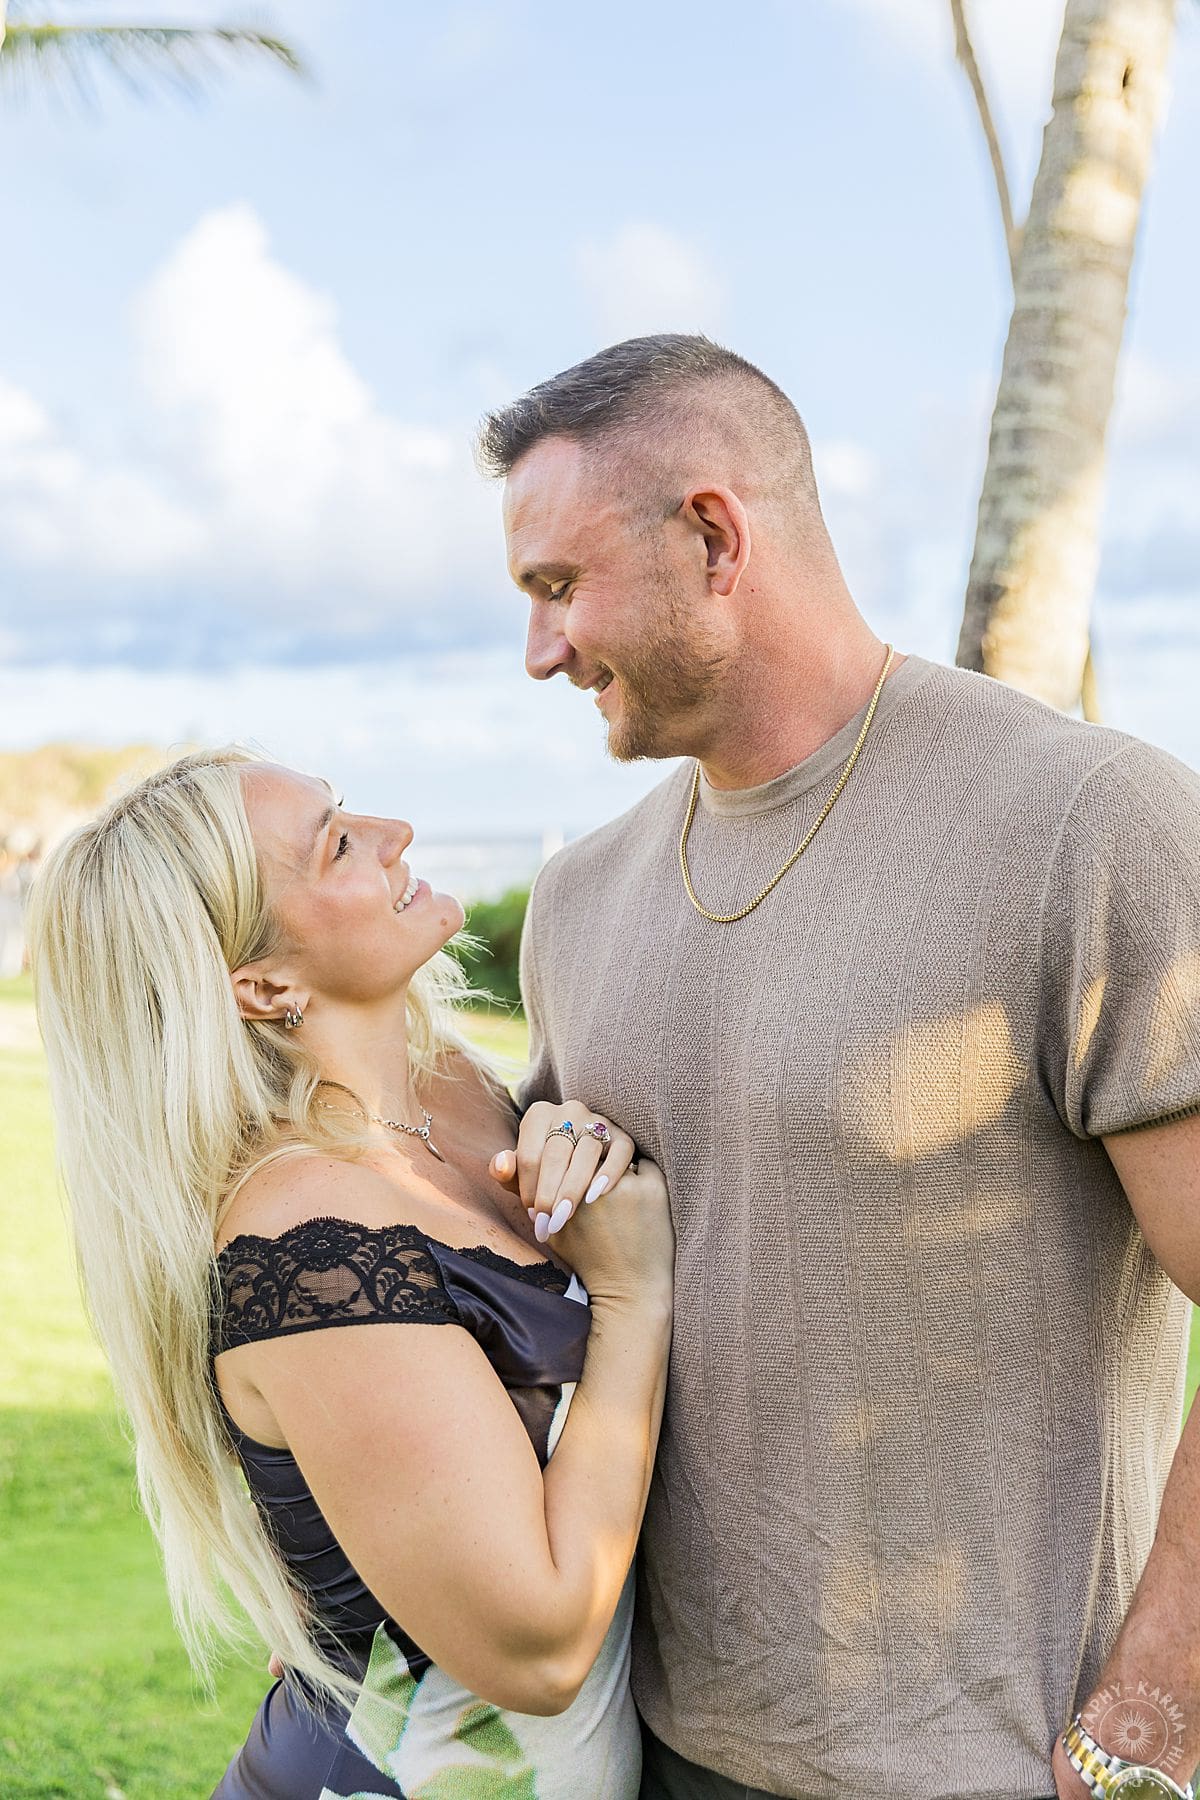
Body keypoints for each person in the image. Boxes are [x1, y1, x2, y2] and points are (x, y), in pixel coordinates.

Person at [477, 334, 1200, 1800]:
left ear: (712, 534)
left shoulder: (1084, 823)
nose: (540, 650)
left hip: (1007, 1772)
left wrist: (1152, 1718)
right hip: (659, 1759)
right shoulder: (580, 900)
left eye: (558, 587)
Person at [27, 746, 674, 1799]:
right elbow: (540, 1649)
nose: (394, 835)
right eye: (337, 844)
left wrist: (569, 1146)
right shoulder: (304, 1242)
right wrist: (633, 1296)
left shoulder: (456, 1089)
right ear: (263, 983)